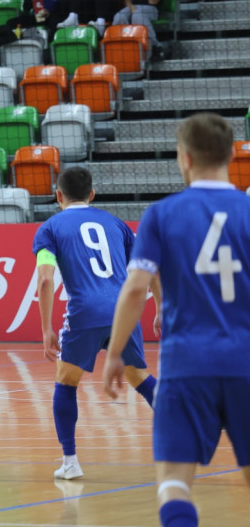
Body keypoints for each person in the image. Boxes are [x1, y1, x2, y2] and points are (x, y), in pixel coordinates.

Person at [103, 113, 250, 527]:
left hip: (187, 367)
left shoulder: (162, 215)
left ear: (184, 160)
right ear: (231, 156)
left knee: (173, 476)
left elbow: (135, 290)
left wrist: (115, 355)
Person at [33, 166, 159, 480]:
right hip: (123, 311)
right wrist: (160, 307)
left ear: (57, 195)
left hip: (84, 313)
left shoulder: (49, 228)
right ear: (92, 194)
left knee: (66, 381)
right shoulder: (117, 224)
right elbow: (148, 267)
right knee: (140, 378)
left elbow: (46, 281)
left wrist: (47, 328)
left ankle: (71, 462)